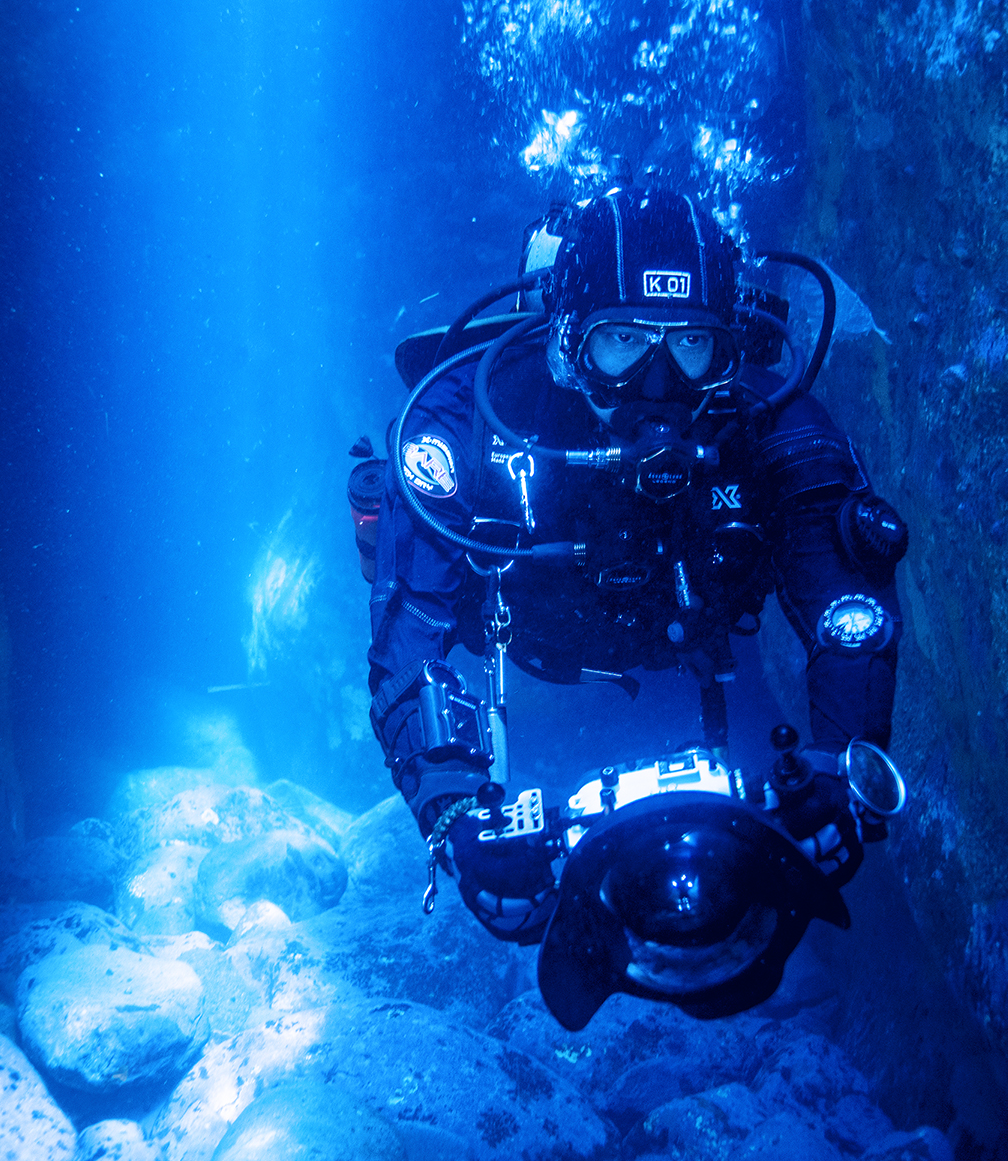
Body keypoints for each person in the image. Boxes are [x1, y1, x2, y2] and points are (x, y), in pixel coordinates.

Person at [364, 189, 907, 946]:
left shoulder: (772, 426)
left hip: (685, 636)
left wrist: (841, 765)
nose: (658, 386)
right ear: (566, 343)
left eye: (691, 345)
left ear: (728, 346)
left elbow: (849, 611)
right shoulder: (464, 424)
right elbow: (410, 630)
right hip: (538, 641)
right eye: (621, 340)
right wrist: (453, 809)